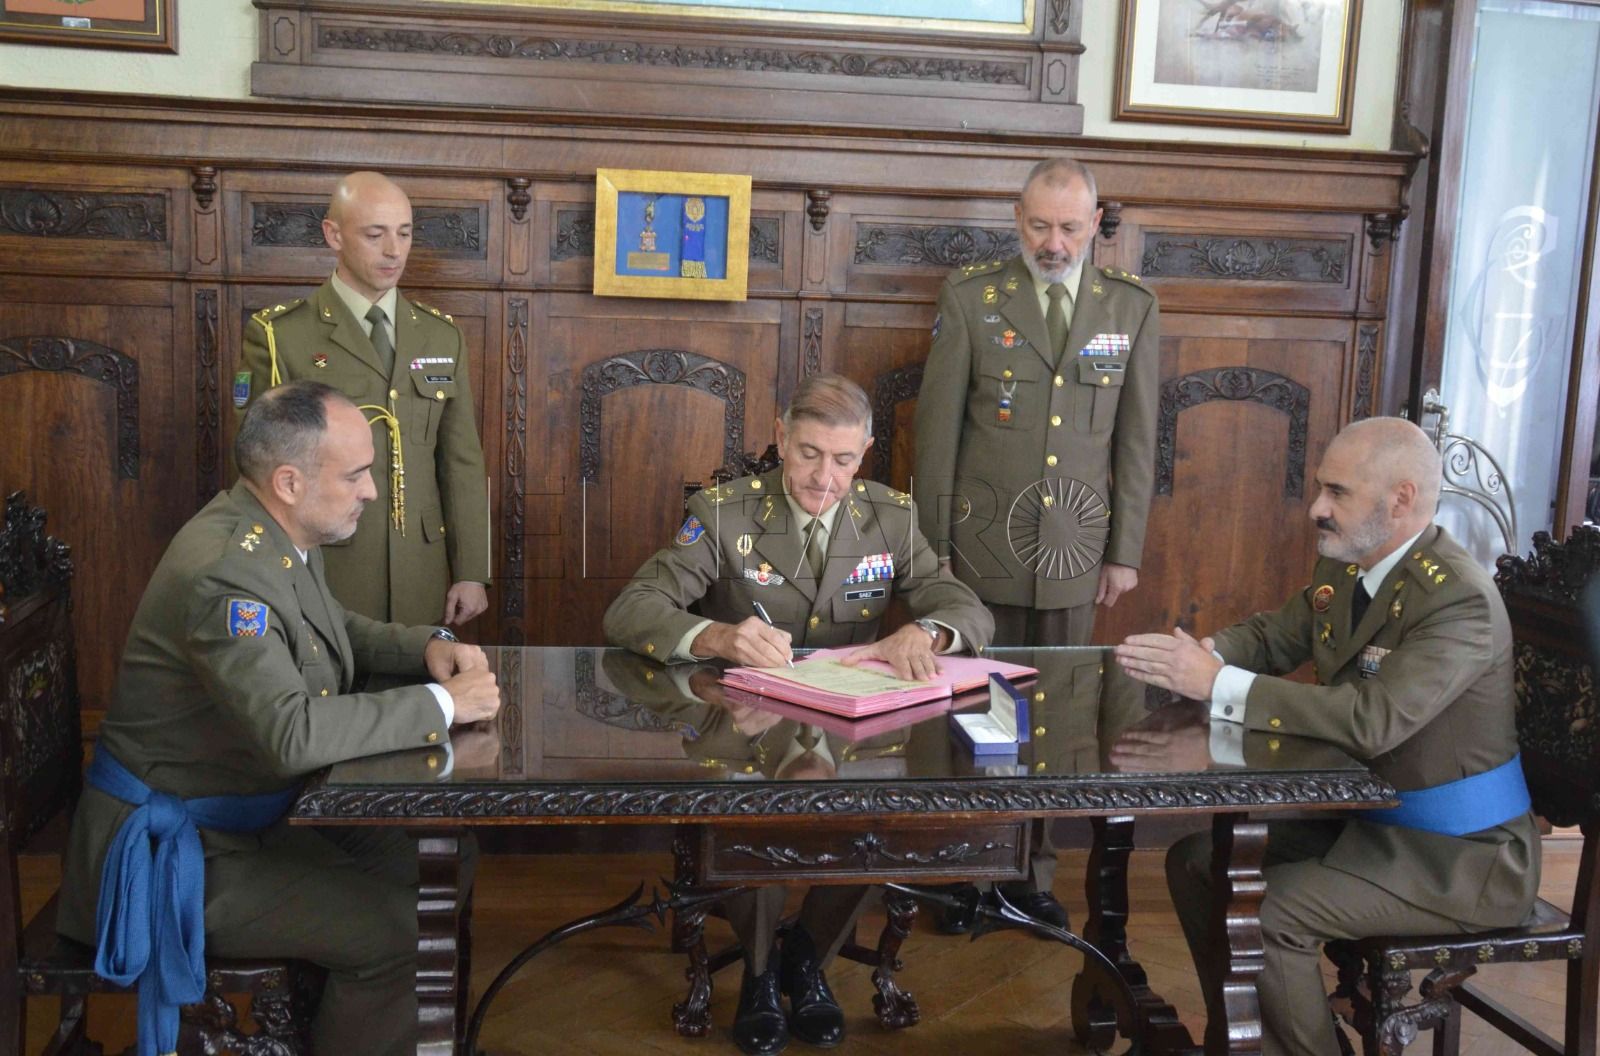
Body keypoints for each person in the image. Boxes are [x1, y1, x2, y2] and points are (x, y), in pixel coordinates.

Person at [58, 381, 503, 1056]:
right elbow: (291, 734)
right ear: (289, 480)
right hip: (175, 855)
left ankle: (382, 1030)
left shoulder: (274, 531)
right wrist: (443, 706)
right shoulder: (225, 574)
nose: (372, 492)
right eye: (356, 475)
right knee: (394, 933)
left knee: (444, 857)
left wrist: (425, 646)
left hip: (245, 814)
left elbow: (328, 629)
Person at [1114, 417, 1540, 1056]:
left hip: (1463, 856)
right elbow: (1271, 637)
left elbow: (1375, 720)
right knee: (1197, 863)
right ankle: (1244, 1041)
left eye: (1336, 492)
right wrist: (1200, 656)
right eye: (1320, 487)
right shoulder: (1351, 566)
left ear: (1400, 500)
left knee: (1273, 910)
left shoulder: (1459, 602)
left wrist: (1217, 685)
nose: (1316, 508)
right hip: (1380, 825)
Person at [604, 373, 993, 1055]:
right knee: (755, 816)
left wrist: (926, 634)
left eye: (844, 460)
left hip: (852, 727)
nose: (825, 478)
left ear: (866, 451)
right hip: (743, 722)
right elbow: (630, 610)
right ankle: (758, 975)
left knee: (877, 818)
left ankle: (808, 958)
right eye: (810, 453)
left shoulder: (890, 517)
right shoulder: (723, 512)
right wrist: (717, 637)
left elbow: (966, 609)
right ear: (782, 439)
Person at [913, 156, 1160, 929]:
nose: (1053, 243)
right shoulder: (971, 299)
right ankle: (965, 870)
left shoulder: (1131, 308)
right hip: (979, 548)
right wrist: (933, 552)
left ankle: (1030, 873)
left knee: (1049, 717)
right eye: (1039, 226)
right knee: (975, 711)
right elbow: (936, 435)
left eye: (1069, 227)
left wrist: (1124, 550)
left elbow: (1136, 440)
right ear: (1017, 221)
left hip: (1072, 550)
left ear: (1096, 226)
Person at [236, 170, 490, 628]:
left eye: (405, 233)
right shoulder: (282, 335)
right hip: (328, 569)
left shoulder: (441, 335)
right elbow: (262, 472)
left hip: (422, 570)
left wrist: (472, 570)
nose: (394, 250)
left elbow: (461, 461)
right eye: (375, 234)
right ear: (333, 235)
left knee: (415, 693)